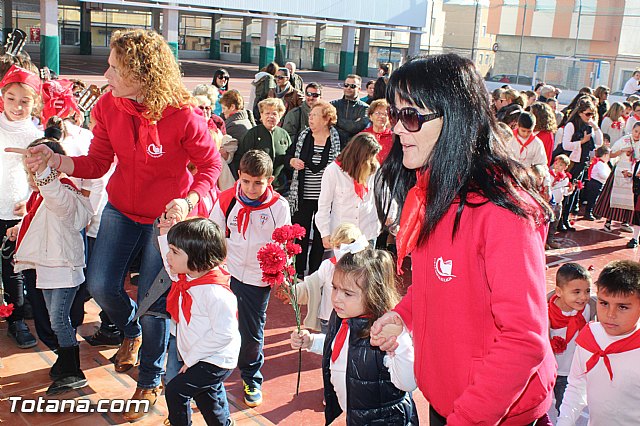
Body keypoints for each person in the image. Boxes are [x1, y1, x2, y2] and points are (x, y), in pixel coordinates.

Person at [21, 29, 222, 422]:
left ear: (142, 72)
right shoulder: (111, 107)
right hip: (120, 209)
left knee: (154, 305)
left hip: (166, 221)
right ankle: (130, 332)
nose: (106, 74)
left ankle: (150, 378)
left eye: (114, 67)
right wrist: (54, 159)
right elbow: (96, 163)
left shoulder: (183, 115)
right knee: (99, 284)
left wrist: (189, 199)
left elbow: (211, 166)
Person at [370, 54, 555, 425]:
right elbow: (438, 283)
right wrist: (403, 315)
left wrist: (466, 419)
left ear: (454, 117)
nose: (397, 130)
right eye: (395, 115)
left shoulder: (501, 210)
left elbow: (524, 338)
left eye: (411, 117)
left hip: (492, 412)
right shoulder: (430, 193)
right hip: (449, 400)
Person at [290, 248, 418, 425]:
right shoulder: (341, 316)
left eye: (347, 293)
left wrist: (399, 343)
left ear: (374, 294)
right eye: (334, 288)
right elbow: (340, 348)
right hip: (356, 417)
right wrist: (311, 341)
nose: (336, 298)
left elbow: (408, 383)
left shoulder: (385, 332)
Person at [6, 137, 93, 395]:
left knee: (59, 321)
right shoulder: (39, 197)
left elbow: (60, 205)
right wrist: (18, 228)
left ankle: (73, 370)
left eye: (36, 170)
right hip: (49, 267)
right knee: (55, 320)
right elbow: (43, 222)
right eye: (29, 171)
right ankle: (66, 362)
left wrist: (45, 172)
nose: (32, 176)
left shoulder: (62, 190)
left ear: (52, 168)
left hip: (63, 269)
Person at [209, 150, 290, 408]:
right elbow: (212, 236)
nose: (251, 188)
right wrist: (216, 266)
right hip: (227, 274)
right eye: (246, 181)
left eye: (258, 182)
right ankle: (211, 375)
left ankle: (251, 378)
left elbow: (285, 245)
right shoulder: (225, 199)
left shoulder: (279, 206)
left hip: (258, 279)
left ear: (270, 181)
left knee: (252, 333)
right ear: (239, 177)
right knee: (217, 325)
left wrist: (280, 271)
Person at [157, 218, 240, 426]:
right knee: (207, 399)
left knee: (176, 391)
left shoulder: (216, 293)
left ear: (197, 257)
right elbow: (170, 268)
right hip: (199, 355)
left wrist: (192, 358)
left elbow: (224, 334)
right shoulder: (189, 277)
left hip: (214, 359)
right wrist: (164, 234)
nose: (169, 256)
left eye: (174, 252)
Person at [557, 260, 640, 426]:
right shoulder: (590, 336)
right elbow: (576, 386)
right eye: (604, 303)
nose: (610, 314)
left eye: (622, 307)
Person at [0, 65, 42, 349]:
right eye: (11, 98)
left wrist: (29, 204)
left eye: (24, 101)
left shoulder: (36, 135)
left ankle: (16, 319)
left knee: (13, 268)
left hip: (16, 214)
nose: (17, 106)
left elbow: (42, 180)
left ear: (35, 102)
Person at [285, 101, 341, 277]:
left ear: (326, 119)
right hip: (302, 195)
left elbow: (340, 165)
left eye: (315, 115)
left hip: (325, 198)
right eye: (310, 115)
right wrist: (292, 161)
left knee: (320, 236)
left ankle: (316, 272)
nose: (310, 118)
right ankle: (299, 271)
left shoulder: (336, 139)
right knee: (300, 234)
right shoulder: (303, 136)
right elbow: (288, 156)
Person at [294, 223, 366, 333]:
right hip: (328, 319)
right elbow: (312, 283)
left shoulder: (364, 269)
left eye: (347, 246)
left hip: (353, 319)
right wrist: (293, 291)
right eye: (338, 246)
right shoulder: (328, 265)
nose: (341, 250)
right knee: (327, 348)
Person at [315, 133, 382, 249]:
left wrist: (391, 217)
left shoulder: (375, 168)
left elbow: (383, 195)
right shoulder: (333, 171)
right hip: (342, 236)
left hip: (368, 232)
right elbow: (324, 205)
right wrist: (325, 233)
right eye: (369, 158)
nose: (372, 161)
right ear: (359, 157)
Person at [548, 263, 595, 413]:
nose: (583, 297)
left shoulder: (589, 308)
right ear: (559, 292)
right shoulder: (545, 313)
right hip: (550, 372)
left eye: (587, 291)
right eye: (576, 292)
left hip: (572, 373)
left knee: (565, 410)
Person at [558, 97, 603, 232]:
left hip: (582, 162)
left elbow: (599, 143)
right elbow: (566, 145)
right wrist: (582, 142)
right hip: (571, 163)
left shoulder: (589, 126)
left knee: (574, 191)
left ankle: (566, 218)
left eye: (592, 114)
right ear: (580, 112)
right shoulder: (571, 125)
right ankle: (560, 220)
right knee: (566, 190)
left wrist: (595, 126)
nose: (590, 117)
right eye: (588, 114)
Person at [234, 98, 291, 194]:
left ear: (280, 116)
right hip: (256, 188)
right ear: (261, 115)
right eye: (267, 113)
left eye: (274, 114)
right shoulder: (252, 134)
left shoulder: (284, 134)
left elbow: (288, 158)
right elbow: (240, 158)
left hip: (279, 187)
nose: (271, 117)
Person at [595, 126, 640, 236]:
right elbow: (611, 154)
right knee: (613, 196)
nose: (637, 134)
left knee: (630, 198)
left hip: (633, 171)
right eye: (636, 131)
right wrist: (623, 150)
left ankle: (625, 221)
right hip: (620, 170)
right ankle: (608, 222)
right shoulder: (624, 139)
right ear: (632, 130)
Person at [330, 74, 370, 148]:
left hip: (354, 148)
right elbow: (328, 123)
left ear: (359, 89)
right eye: (346, 85)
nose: (348, 88)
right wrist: (352, 122)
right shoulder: (333, 105)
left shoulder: (365, 108)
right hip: (334, 146)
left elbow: (357, 127)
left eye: (352, 86)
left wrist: (336, 120)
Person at [548, 154, 573, 249]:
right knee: (548, 221)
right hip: (550, 202)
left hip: (559, 202)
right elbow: (548, 187)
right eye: (557, 163)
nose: (558, 166)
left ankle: (550, 239)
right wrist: (555, 181)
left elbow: (564, 191)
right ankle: (544, 241)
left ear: (566, 167)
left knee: (555, 222)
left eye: (561, 165)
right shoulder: (549, 175)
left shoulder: (565, 178)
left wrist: (569, 190)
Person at [584, 146, 611, 220]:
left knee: (596, 199)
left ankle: (594, 212)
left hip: (599, 183)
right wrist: (609, 177)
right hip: (595, 183)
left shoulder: (603, 163)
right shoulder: (599, 163)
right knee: (592, 199)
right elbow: (602, 174)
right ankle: (588, 212)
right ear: (605, 155)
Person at [362, 98, 393, 164]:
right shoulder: (363, 136)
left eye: (385, 114)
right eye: (378, 113)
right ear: (370, 116)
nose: (381, 116)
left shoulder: (394, 138)